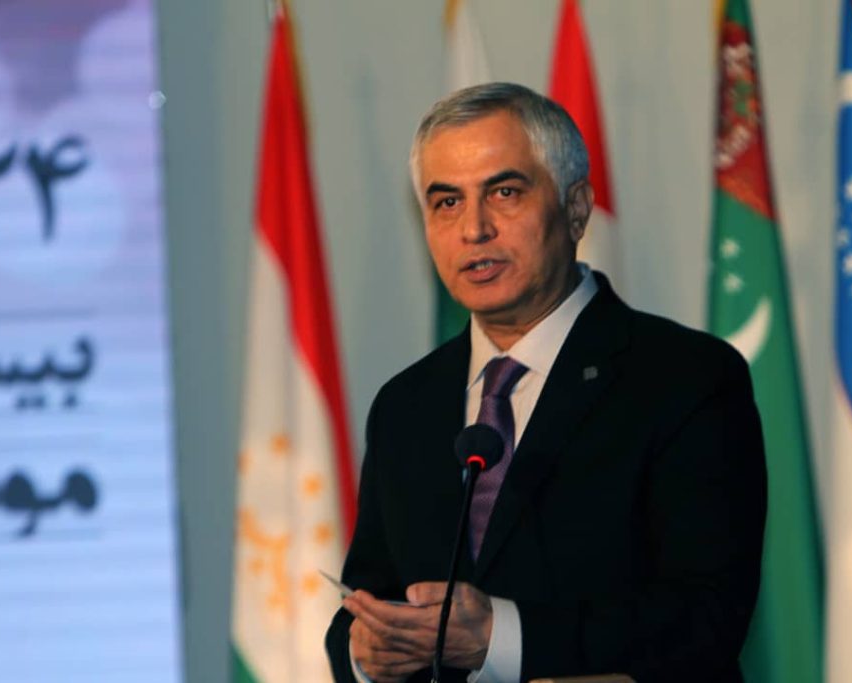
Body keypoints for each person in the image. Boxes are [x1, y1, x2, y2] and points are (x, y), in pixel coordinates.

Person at [325, 82, 766, 683]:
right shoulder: (406, 404)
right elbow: (366, 599)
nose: (474, 229)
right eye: (447, 202)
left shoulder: (686, 378)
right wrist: (363, 655)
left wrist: (498, 638)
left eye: (504, 193)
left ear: (576, 208)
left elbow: (706, 617)